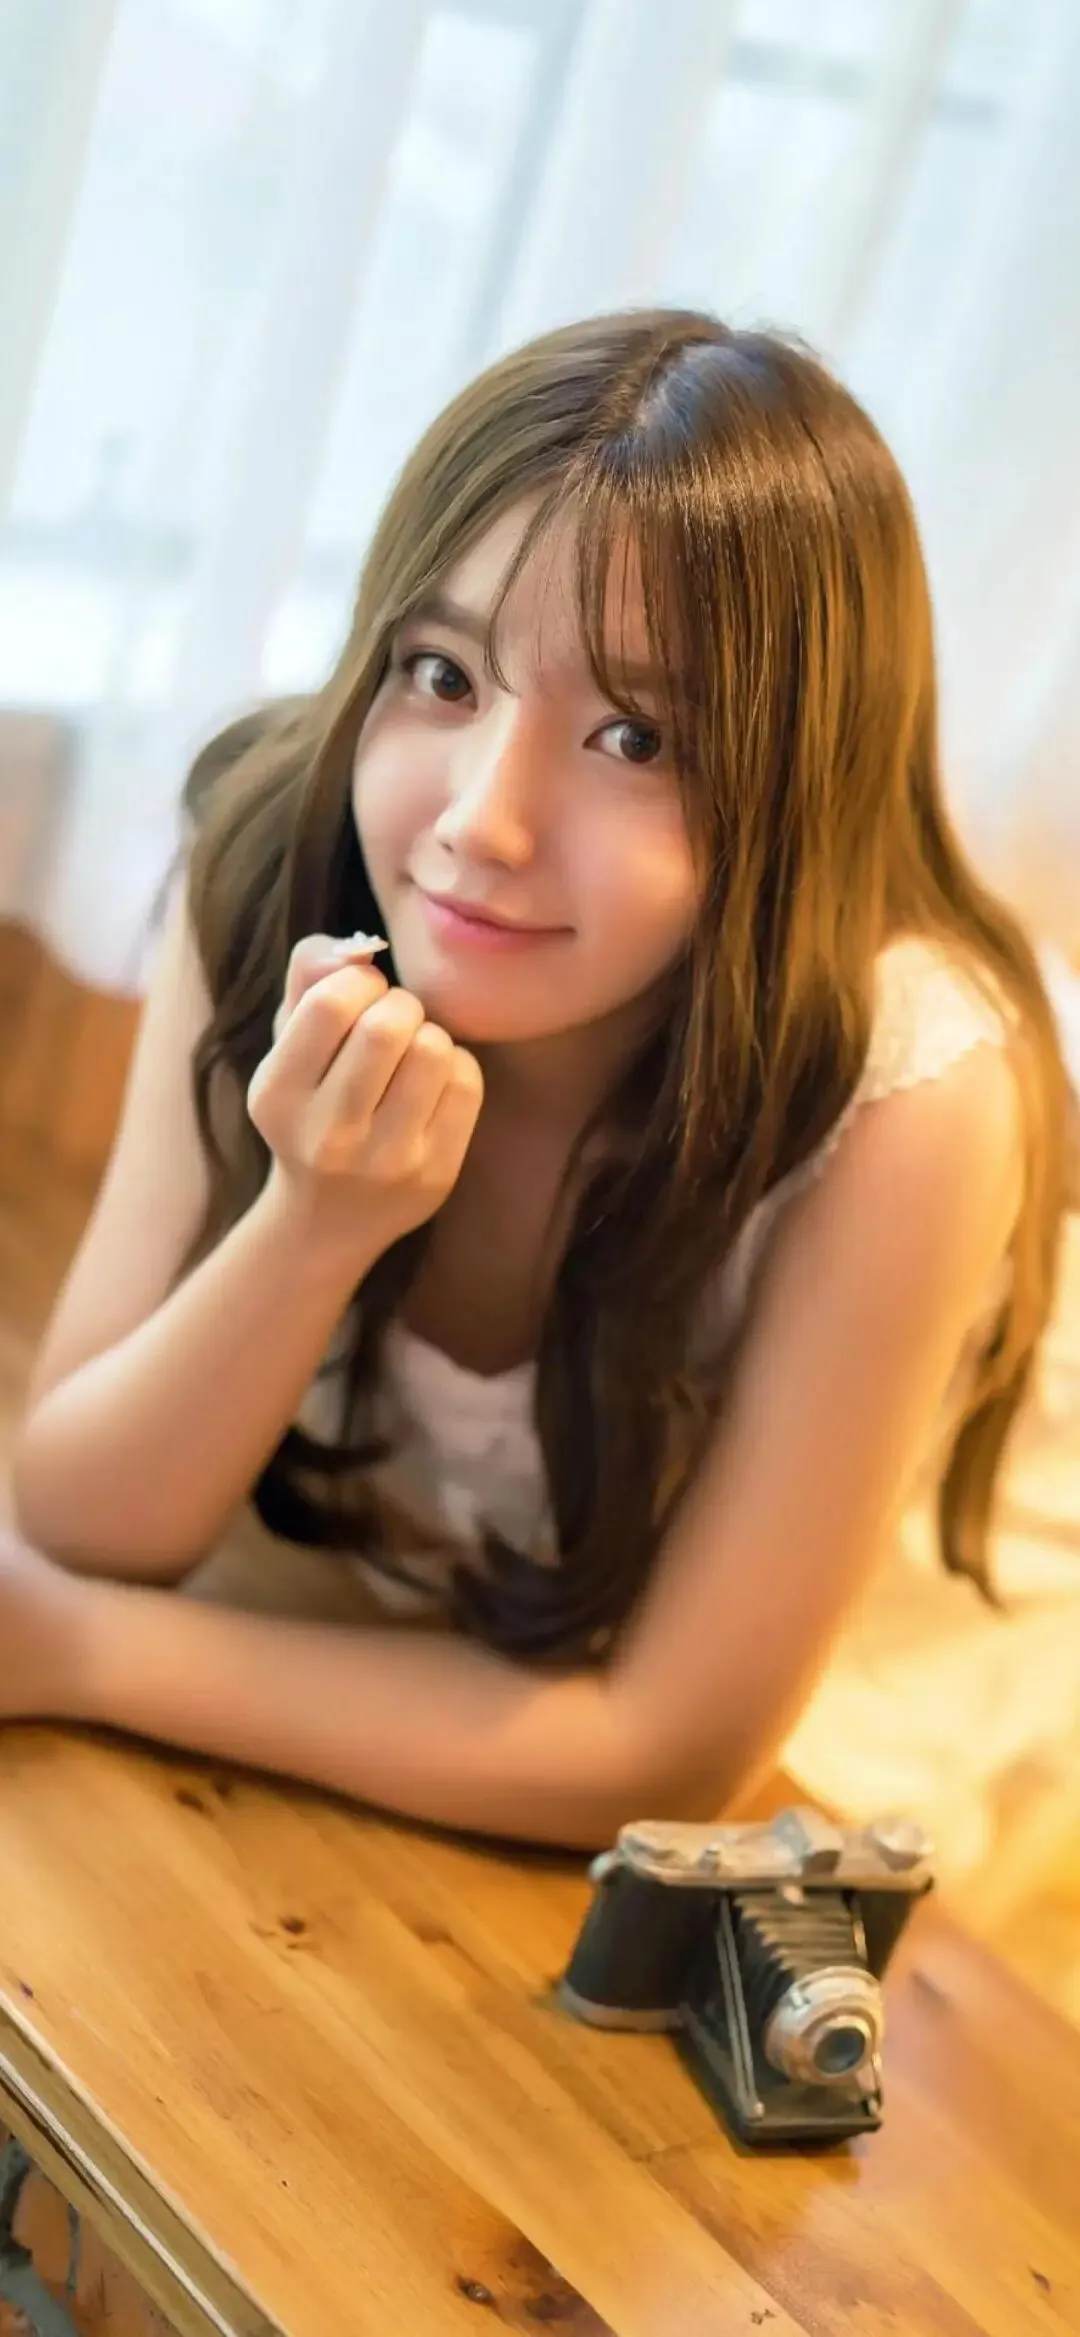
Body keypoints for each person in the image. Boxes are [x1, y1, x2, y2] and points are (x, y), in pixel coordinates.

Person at [5, 308, 1075, 1859]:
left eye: (632, 736)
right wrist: (313, 1224)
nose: (483, 822)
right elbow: (76, 1518)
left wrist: (90, 1657)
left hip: (886, 1666)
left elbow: (664, 1748)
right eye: (442, 672)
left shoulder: (909, 1102)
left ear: (794, 784)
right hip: (415, 1610)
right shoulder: (283, 850)